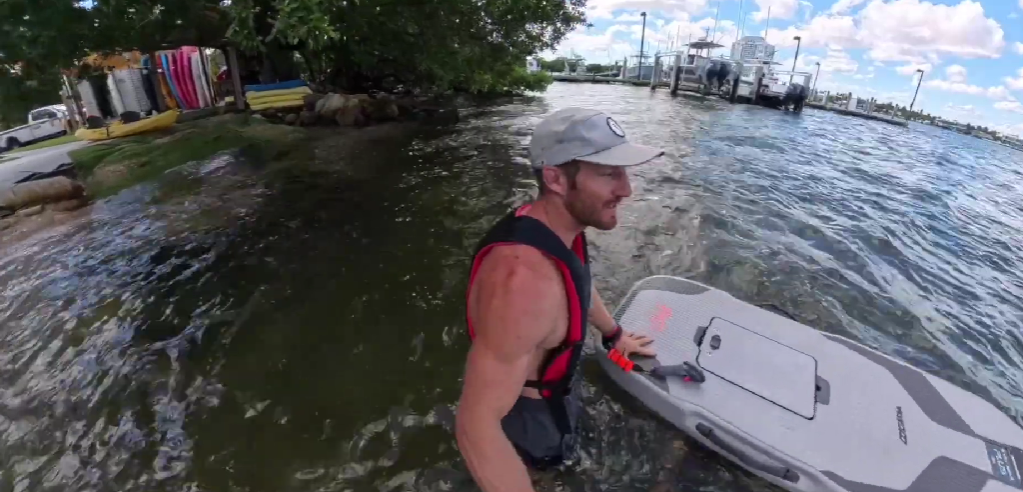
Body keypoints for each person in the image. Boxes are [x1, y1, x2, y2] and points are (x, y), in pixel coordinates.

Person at [456, 108, 665, 491]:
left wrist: (614, 334)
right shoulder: (522, 281)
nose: (626, 190)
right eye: (608, 174)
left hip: (558, 390)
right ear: (554, 178)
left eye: (623, 172)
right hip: (530, 419)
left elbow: (576, 281)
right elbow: (476, 424)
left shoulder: (558, 225)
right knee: (544, 474)